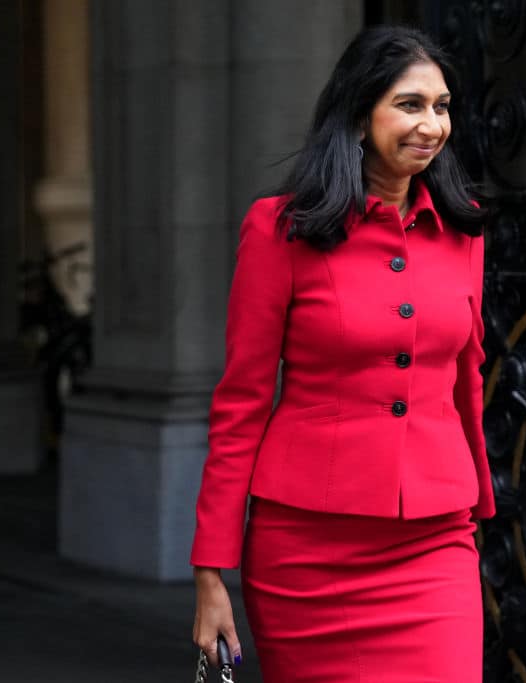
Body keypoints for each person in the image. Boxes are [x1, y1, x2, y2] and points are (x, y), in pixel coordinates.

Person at [190, 25, 495, 682]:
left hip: (433, 540)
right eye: (410, 105)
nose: (431, 124)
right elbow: (241, 400)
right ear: (360, 117)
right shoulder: (280, 232)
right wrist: (211, 570)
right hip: (306, 552)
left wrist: (479, 504)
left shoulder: (464, 231)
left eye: (441, 107)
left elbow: (465, 375)